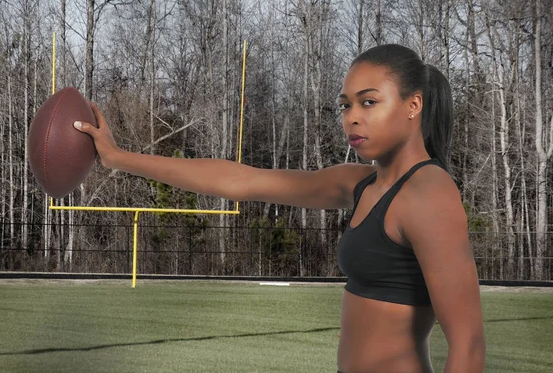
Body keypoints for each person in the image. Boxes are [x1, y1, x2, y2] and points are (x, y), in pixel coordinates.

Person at [74, 44, 486, 373]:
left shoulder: (429, 192)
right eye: (345, 106)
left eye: (368, 102)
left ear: (413, 106)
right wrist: (118, 158)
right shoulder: (360, 183)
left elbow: (468, 345)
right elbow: (241, 180)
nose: (352, 119)